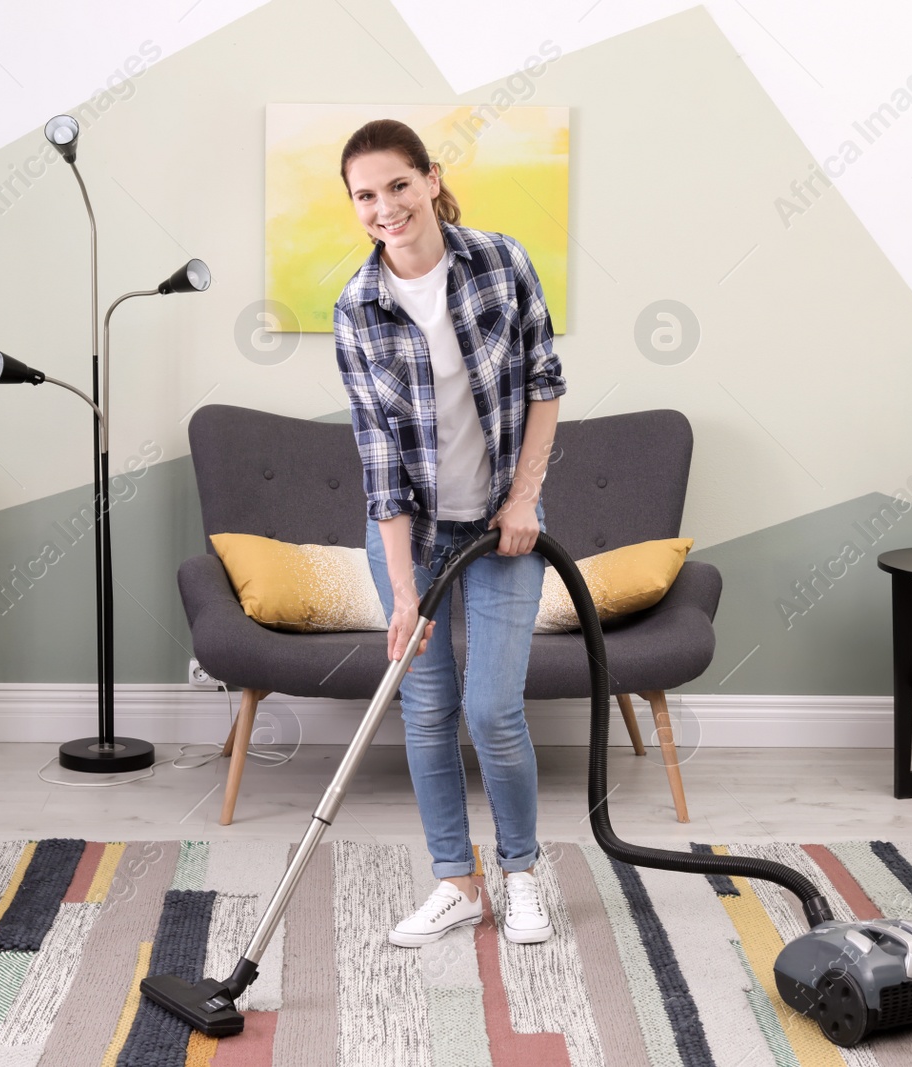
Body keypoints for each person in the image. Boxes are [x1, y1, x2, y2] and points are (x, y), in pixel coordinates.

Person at [333, 119, 566, 947]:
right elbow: (380, 466)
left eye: (398, 184)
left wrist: (524, 499)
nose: (385, 207)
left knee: (493, 709)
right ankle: (456, 883)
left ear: (431, 179)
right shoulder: (357, 310)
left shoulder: (501, 262)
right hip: (415, 536)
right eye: (366, 194)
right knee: (425, 712)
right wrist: (403, 592)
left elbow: (545, 382)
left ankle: (522, 873)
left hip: (506, 527)